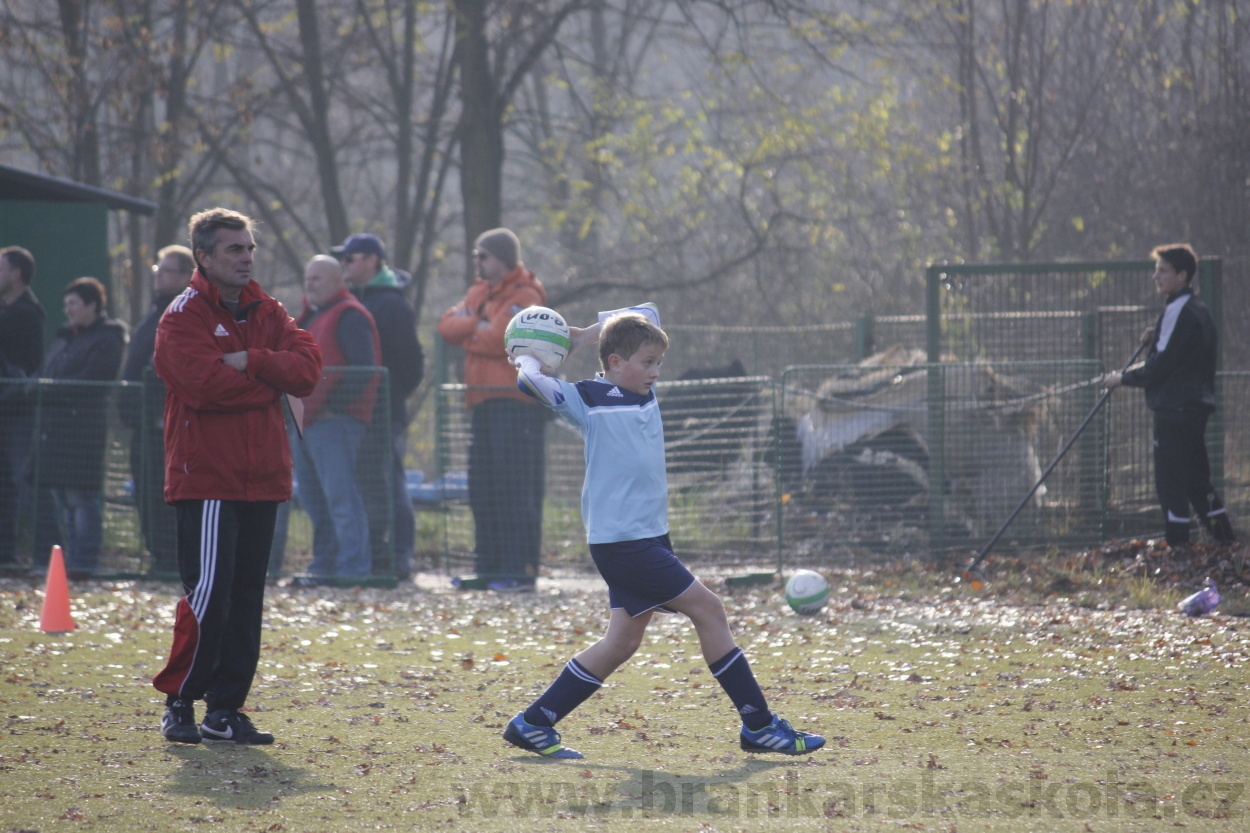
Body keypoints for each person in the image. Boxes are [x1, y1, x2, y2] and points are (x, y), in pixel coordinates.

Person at [503, 308, 825, 758]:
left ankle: (534, 723)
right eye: (647, 362)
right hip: (623, 543)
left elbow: (645, 312)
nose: (655, 372)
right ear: (615, 362)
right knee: (710, 610)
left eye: (658, 363)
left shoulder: (642, 392)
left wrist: (581, 334)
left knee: (621, 642)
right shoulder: (587, 399)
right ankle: (759, 724)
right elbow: (530, 381)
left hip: (646, 538)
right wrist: (531, 355)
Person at [152, 208, 321, 745]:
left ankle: (225, 710)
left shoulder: (266, 309)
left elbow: (308, 369)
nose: (247, 258)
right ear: (204, 257)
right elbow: (204, 387)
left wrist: (250, 358)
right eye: (234, 249)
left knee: (246, 596)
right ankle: (180, 701)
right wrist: (271, 382)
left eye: (250, 248)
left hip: (264, 477)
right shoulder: (182, 317)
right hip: (208, 479)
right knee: (209, 594)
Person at [437, 228, 548, 591]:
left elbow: (505, 339)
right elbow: (445, 327)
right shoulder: (478, 292)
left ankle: (518, 570)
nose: (477, 263)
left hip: (514, 407)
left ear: (502, 258)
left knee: (513, 489)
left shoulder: (526, 295)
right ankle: (488, 567)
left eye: (483, 256)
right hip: (482, 404)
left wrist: (474, 329)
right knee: (483, 488)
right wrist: (477, 324)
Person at [1103, 244, 1235, 547]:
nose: (1156, 276)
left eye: (1163, 270)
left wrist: (1121, 378)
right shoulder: (1196, 309)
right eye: (1156, 269)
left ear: (1181, 275)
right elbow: (1179, 354)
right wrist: (1157, 333)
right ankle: (1227, 542)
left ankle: (1178, 549)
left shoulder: (1179, 311)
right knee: (1197, 481)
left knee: (1170, 483)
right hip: (1194, 409)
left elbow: (1160, 367)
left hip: (1174, 412)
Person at [334, 234, 424, 582]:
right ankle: (374, 554)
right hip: (357, 412)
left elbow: (412, 364)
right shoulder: (352, 299)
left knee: (387, 483)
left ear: (372, 260)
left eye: (350, 259)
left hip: (384, 411)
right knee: (368, 484)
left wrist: (389, 393)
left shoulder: (391, 304)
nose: (345, 266)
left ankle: (399, 557)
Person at [291, 255, 382, 581]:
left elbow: (363, 369)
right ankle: (325, 566)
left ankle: (353, 570)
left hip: (335, 424)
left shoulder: (349, 315)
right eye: (308, 278)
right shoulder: (314, 316)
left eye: (317, 278)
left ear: (337, 281)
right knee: (316, 502)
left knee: (341, 499)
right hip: (308, 422)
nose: (310, 284)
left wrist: (335, 407)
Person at [32, 278, 127, 576]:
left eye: (74, 303)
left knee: (81, 498)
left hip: (83, 432)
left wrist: (49, 390)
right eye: (67, 304)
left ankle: (84, 562)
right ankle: (71, 562)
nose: (68, 309)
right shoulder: (66, 339)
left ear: (92, 305)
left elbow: (92, 381)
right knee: (64, 499)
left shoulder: (106, 339)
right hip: (56, 431)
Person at [120, 245, 194, 574]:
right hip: (143, 429)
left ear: (185, 276)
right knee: (147, 499)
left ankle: (174, 562)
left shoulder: (187, 315)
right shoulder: (154, 313)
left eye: (165, 271)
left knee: (170, 501)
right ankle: (159, 558)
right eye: (158, 270)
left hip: (169, 429)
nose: (158, 277)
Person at [0, 246, 45, 566]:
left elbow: (25, 366)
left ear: (16, 274)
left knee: (20, 482)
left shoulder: (27, 313)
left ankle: (38, 556)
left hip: (16, 413)